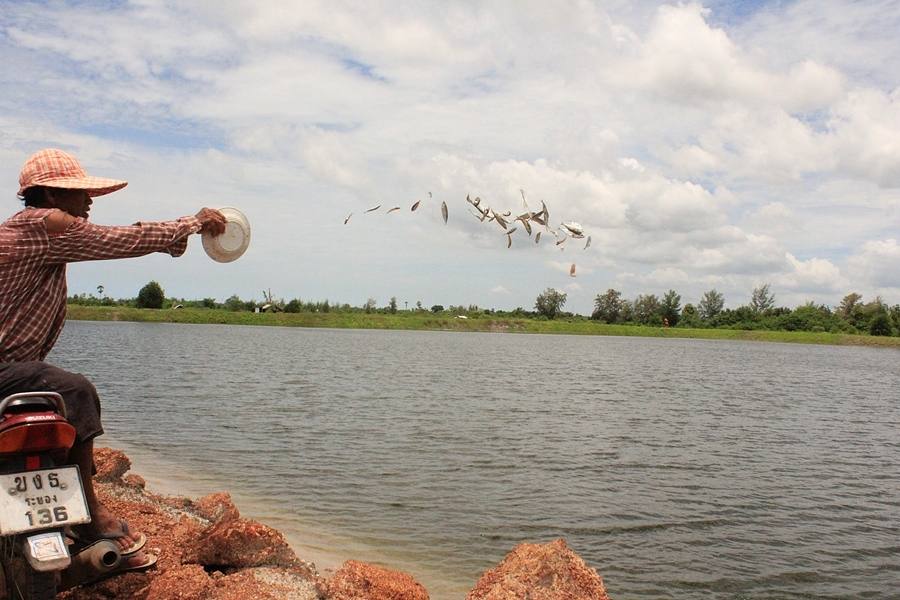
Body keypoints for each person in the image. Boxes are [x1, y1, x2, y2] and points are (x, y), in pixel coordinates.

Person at [0, 148, 226, 574]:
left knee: (51, 404)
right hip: (5, 372)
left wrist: (166, 243)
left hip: (12, 372)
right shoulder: (45, 225)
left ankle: (48, 514)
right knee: (75, 391)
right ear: (48, 194)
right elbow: (118, 239)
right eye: (79, 193)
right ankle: (89, 513)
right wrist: (192, 224)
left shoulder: (39, 233)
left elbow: (118, 242)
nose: (88, 201)